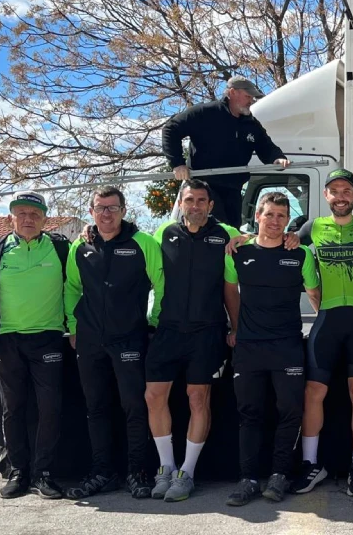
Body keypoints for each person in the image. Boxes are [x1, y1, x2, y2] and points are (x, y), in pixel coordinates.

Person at [64, 186, 164, 500]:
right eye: (100, 208)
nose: (106, 214)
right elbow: (71, 288)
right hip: (90, 338)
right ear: (91, 211)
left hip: (129, 338)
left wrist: (154, 322)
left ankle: (137, 471)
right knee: (96, 407)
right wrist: (73, 327)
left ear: (123, 210)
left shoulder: (143, 242)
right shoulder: (80, 245)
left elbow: (161, 284)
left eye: (112, 207)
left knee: (134, 406)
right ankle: (102, 472)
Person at [0, 191, 69, 500]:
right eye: (21, 213)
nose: (28, 219)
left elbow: (75, 289)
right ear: (11, 217)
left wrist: (75, 329)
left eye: (35, 214)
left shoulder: (61, 248)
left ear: (45, 219)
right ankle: (18, 472)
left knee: (50, 407)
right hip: (6, 340)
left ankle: (44, 474)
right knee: (12, 408)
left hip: (48, 338)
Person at [291, 169, 353, 497]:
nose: (340, 197)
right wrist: (239, 239)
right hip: (327, 320)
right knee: (313, 392)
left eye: (346, 191)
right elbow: (275, 240)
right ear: (326, 195)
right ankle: (310, 463)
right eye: (334, 191)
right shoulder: (311, 228)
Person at [146, 179, 241, 502]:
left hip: (207, 331)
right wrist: (89, 231)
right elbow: (135, 247)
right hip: (167, 329)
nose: (195, 206)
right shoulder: (164, 233)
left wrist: (235, 328)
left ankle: (186, 472)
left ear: (210, 205)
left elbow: (258, 240)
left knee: (198, 399)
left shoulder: (226, 233)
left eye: (202, 200)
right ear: (181, 204)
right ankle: (166, 467)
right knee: (153, 396)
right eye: (190, 200)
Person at [226, 192, 321, 506]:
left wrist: (323, 329)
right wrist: (236, 329)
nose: (275, 221)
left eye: (282, 216)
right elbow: (230, 293)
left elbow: (315, 296)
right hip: (249, 347)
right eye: (269, 214)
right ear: (257, 216)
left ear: (288, 220)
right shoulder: (237, 251)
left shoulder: (300, 254)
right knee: (249, 414)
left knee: (290, 412)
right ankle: (248, 479)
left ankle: (280, 475)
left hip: (287, 346)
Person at [161, 75, 291, 227]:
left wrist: (277, 158)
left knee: (232, 231)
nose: (251, 101)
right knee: (216, 229)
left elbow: (266, 146)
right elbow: (170, 129)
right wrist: (177, 163)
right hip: (204, 186)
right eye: (248, 96)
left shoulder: (251, 123)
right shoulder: (206, 112)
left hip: (233, 189)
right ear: (232, 93)